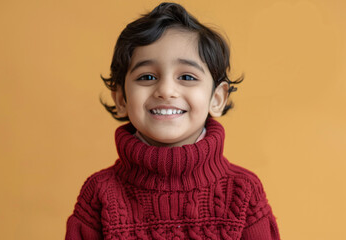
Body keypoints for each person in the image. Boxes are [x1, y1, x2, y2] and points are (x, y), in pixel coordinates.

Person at [65, 2, 280, 239]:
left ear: (217, 98)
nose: (166, 90)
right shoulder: (99, 194)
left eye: (187, 76)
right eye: (147, 77)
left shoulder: (243, 192)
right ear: (121, 99)